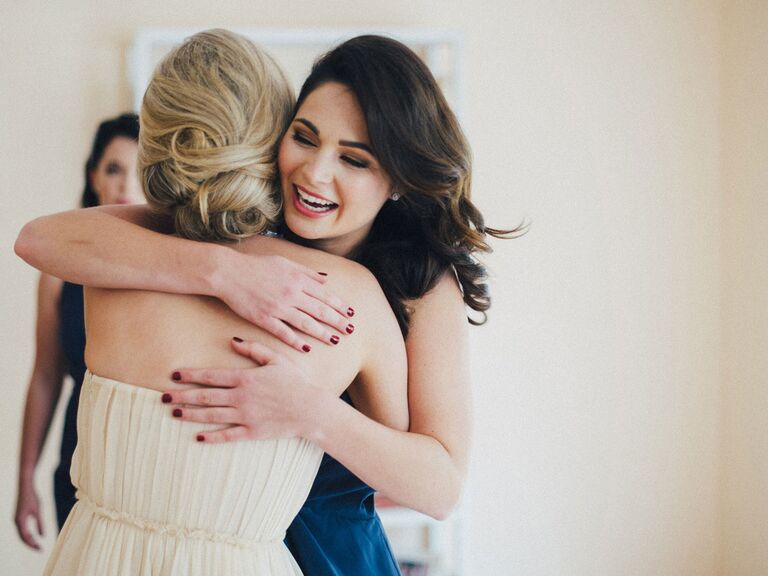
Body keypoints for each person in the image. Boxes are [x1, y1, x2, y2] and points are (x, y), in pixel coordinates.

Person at [16, 35, 524, 574]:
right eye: (304, 137)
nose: (314, 172)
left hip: (327, 550)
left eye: (353, 159)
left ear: (397, 181)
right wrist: (224, 273)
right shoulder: (237, 225)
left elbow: (441, 488)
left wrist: (309, 410)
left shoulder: (419, 284)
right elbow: (44, 240)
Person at [15, 112, 142, 549]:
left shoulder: (177, 272)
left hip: (145, 466)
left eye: (140, 170)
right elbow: (46, 375)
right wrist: (25, 477)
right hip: (76, 457)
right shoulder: (60, 270)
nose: (126, 185)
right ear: (94, 177)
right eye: (114, 169)